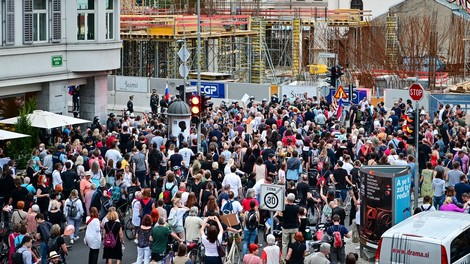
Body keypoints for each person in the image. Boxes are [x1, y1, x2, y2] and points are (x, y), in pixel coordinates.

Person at [281, 193, 299, 259]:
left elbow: (280, 214)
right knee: (294, 244)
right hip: (294, 226)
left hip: (286, 227)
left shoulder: (284, 207)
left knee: (284, 244)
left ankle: (283, 259)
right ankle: (293, 258)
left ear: (287, 199)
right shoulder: (297, 207)